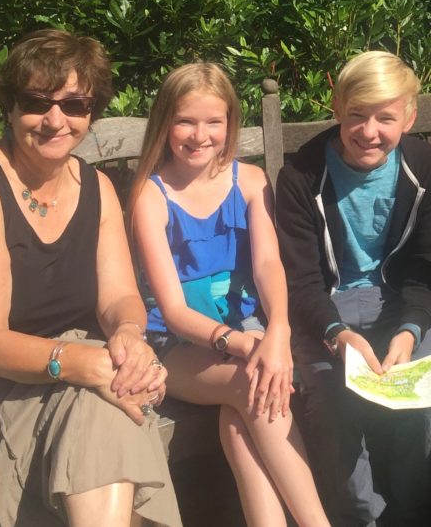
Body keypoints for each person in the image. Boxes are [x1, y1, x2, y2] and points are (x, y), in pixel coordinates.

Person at [0, 29, 181, 526]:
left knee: (105, 402)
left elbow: (120, 295)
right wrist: (85, 363)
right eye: (37, 102)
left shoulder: (95, 187)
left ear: (91, 112)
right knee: (108, 407)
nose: (56, 120)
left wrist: (126, 337)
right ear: (10, 108)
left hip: (53, 387)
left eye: (75, 105)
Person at [129, 63, 329, 527]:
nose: (200, 135)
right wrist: (246, 345)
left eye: (213, 122)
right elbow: (174, 311)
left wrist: (277, 332)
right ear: (165, 123)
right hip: (176, 347)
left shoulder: (252, 181)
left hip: (253, 333)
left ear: (230, 124)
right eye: (185, 121)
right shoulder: (150, 195)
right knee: (252, 385)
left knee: (239, 425)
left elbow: (267, 265)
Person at [274, 50, 431, 527]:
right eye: (356, 114)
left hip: (398, 304)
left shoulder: (426, 168)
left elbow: (425, 267)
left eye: (385, 117)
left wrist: (411, 330)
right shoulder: (300, 177)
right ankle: (359, 516)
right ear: (337, 109)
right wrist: (337, 334)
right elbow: (301, 279)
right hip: (326, 312)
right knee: (331, 403)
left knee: (430, 398)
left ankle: (411, 510)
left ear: (409, 118)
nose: (369, 131)